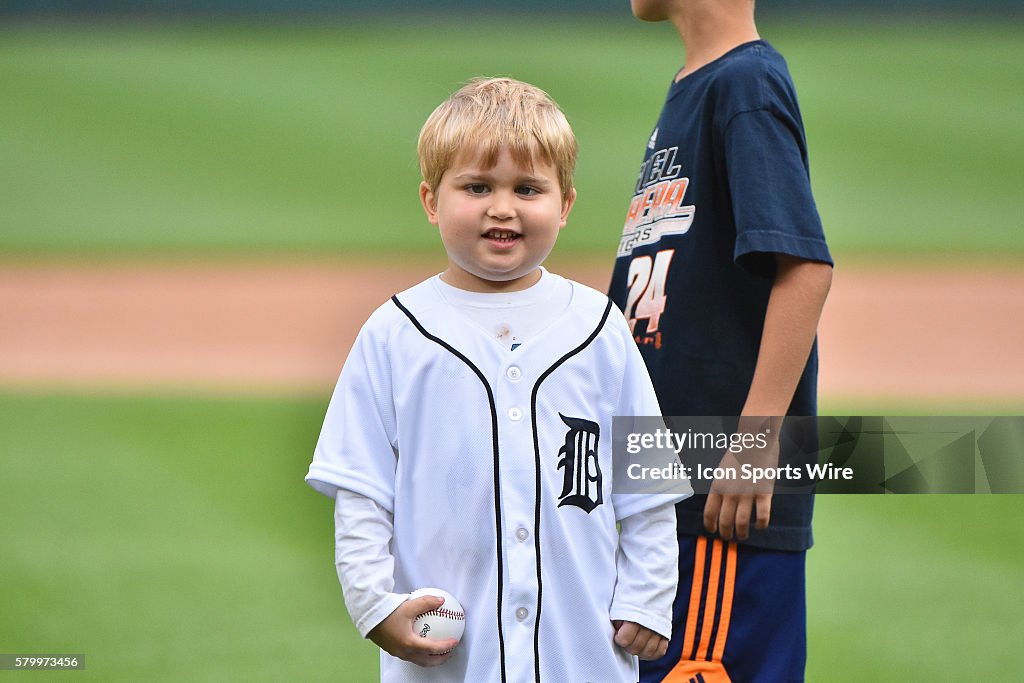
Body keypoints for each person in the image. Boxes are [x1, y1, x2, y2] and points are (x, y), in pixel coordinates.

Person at [306, 77, 691, 683]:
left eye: (528, 188)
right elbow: (361, 495)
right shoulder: (394, 333)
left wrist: (647, 598)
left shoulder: (600, 327)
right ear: (432, 201)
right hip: (450, 662)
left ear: (565, 204)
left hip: (583, 652)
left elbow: (648, 492)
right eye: (477, 187)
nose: (502, 207)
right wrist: (375, 604)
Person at [608, 2, 835, 682]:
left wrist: (757, 437)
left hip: (719, 498)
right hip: (666, 484)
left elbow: (804, 268)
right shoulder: (695, 87)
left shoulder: (745, 85)